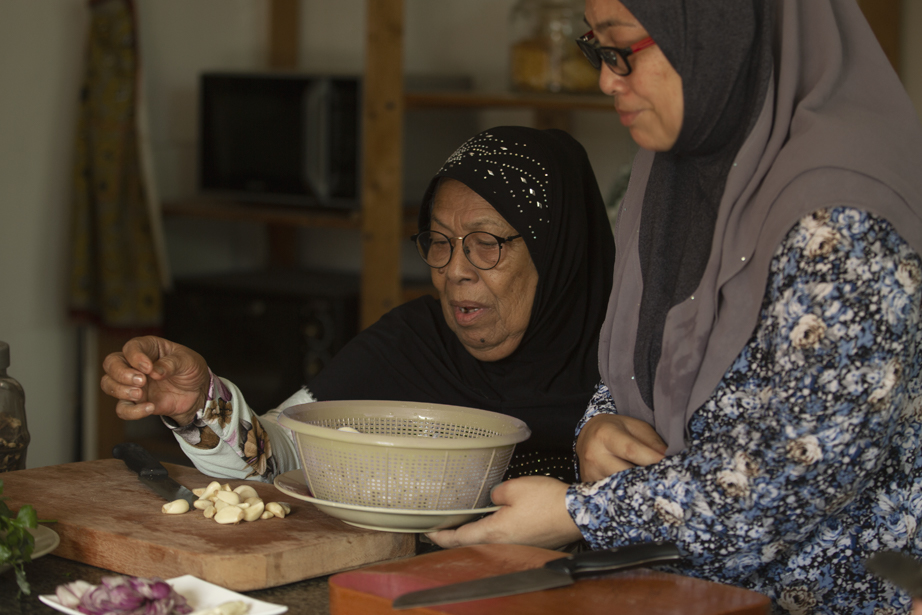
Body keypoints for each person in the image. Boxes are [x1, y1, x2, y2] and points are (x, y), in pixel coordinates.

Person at [427, 1, 922, 614]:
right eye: (596, 50)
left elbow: (801, 469)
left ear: (717, 32)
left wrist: (580, 514)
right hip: (682, 595)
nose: (607, 80)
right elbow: (642, 360)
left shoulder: (844, 212)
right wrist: (599, 428)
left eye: (622, 52)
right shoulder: (676, 173)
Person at [101, 126, 616, 484]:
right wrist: (199, 406)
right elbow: (283, 455)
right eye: (439, 242)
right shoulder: (412, 344)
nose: (455, 270)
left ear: (559, 253)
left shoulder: (627, 365)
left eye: (485, 243)